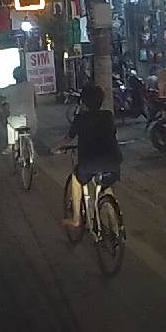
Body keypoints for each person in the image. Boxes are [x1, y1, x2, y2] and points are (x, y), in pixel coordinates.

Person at [57, 84, 123, 229]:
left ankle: (76, 219)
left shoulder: (80, 119)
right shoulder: (108, 116)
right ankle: (115, 228)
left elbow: (68, 138)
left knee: (76, 177)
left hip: (89, 163)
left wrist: (56, 148)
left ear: (83, 102)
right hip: (113, 160)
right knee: (106, 187)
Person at [2, 67, 38, 155]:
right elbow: (36, 103)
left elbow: (1, 100)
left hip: (16, 121)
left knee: (9, 124)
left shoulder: (10, 89)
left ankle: (10, 146)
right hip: (31, 121)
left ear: (14, 77)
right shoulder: (31, 86)